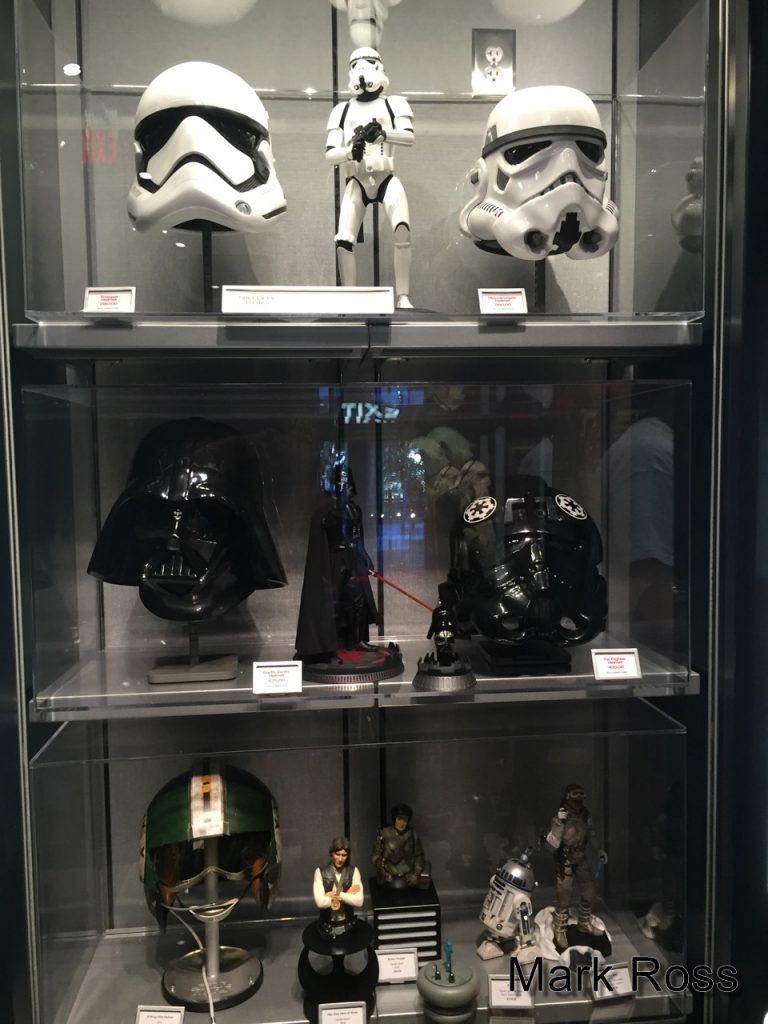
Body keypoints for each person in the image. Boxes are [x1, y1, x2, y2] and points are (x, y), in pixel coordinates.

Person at [325, 47, 415, 308]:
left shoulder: (393, 103)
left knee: (402, 229)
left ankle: (403, 296)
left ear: (379, 66)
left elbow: (409, 137)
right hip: (358, 179)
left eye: (369, 62)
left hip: (386, 176)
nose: (362, 69)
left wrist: (384, 134)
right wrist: (349, 151)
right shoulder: (342, 110)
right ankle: (349, 298)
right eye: (356, 64)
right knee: (344, 239)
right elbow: (330, 154)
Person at [545, 783, 608, 951]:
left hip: (580, 857)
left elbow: (591, 834)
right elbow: (552, 844)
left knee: (589, 892)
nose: (579, 797)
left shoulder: (585, 814)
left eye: (582, 793)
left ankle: (584, 923)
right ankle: (560, 928)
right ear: (568, 796)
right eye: (575, 794)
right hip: (564, 859)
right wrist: (559, 823)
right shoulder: (560, 816)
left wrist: (598, 850)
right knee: (564, 896)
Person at [313, 836, 364, 936]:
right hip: (327, 926)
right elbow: (320, 902)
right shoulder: (320, 872)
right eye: (337, 854)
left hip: (348, 925)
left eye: (344, 855)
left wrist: (336, 894)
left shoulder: (354, 871)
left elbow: (359, 901)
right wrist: (348, 895)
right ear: (332, 853)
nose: (340, 859)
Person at [372, 803, 426, 887]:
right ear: (394, 819)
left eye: (405, 820)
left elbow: (419, 856)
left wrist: (416, 874)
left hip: (408, 878)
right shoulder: (384, 833)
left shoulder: (412, 835)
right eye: (399, 819)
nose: (402, 823)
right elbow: (375, 856)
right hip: (388, 878)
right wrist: (381, 868)